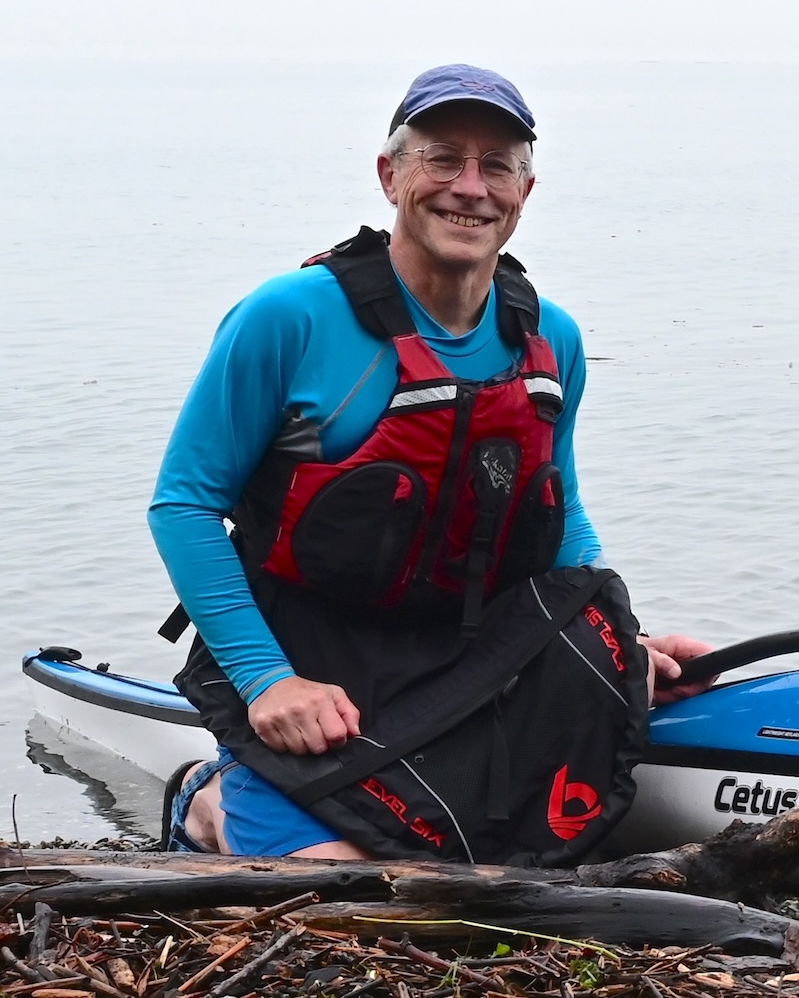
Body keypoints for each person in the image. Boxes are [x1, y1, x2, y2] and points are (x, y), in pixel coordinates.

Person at [151, 63, 712, 863]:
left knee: (517, 862)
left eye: (498, 167)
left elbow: (562, 510)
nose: (470, 188)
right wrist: (266, 681)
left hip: (467, 662)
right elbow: (184, 506)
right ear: (390, 175)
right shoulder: (288, 318)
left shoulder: (553, 339)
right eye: (443, 158)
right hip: (314, 667)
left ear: (526, 190)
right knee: (351, 893)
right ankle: (209, 801)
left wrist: (621, 641)